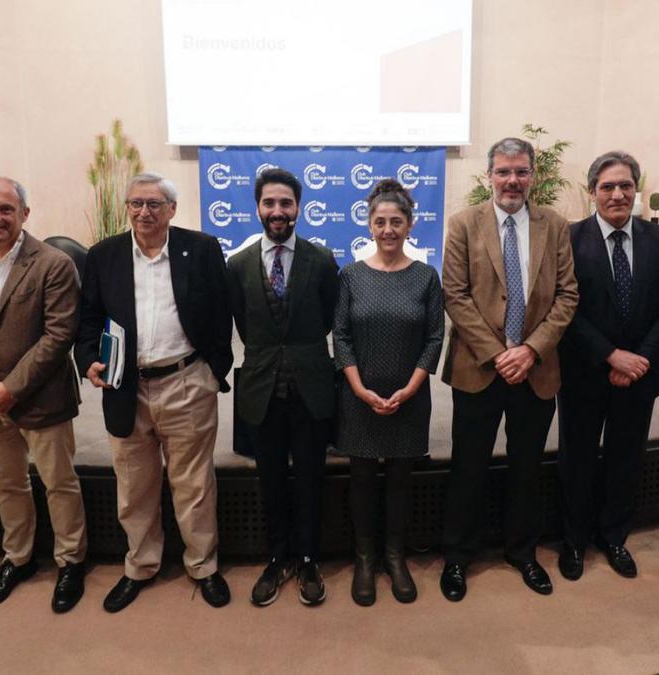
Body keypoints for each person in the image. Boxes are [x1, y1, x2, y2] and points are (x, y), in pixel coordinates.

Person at [76, 172, 234, 613]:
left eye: (154, 204)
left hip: (186, 383)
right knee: (134, 486)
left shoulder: (200, 249)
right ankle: (140, 565)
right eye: (136, 204)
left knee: (194, 484)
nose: (144, 212)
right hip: (125, 386)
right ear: (127, 208)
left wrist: (211, 370)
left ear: (172, 209)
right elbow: (88, 317)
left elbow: (222, 314)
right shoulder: (103, 255)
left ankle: (202, 566)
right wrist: (87, 357)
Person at [439, 137, 579, 598]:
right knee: (468, 467)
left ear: (533, 176)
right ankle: (457, 556)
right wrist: (499, 353)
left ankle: (523, 552)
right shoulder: (463, 224)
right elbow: (455, 295)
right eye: (503, 172)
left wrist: (531, 350)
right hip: (479, 368)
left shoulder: (555, 226)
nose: (512, 181)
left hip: (535, 370)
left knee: (527, 467)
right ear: (489, 176)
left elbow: (567, 295)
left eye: (520, 172)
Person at [0, 177, 88, 613]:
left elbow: (59, 334)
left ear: (24, 214)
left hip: (41, 399)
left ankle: (70, 561)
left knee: (59, 484)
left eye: (6, 209)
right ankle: (19, 558)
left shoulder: (53, 262)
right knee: (7, 485)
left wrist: (11, 388)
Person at [556, 151, 659, 581]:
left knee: (626, 458)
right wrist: (610, 356)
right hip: (584, 372)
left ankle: (613, 537)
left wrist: (640, 359)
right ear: (592, 192)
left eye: (626, 185)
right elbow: (564, 308)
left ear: (636, 189)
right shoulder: (569, 239)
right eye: (608, 186)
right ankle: (573, 540)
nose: (617, 194)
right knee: (577, 458)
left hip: (641, 374)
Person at [227, 168, 339, 607]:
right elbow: (242, 322)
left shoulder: (322, 260)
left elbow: (329, 316)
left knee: (312, 477)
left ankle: (309, 557)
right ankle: (277, 556)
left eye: (286, 204)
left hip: (311, 385)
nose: (278, 212)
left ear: (298, 208)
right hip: (260, 389)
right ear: (257, 207)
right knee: (270, 479)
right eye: (269, 203)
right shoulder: (236, 265)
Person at [333, 179, 443, 606]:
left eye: (397, 221)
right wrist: (360, 390)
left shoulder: (425, 276)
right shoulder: (351, 275)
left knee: (400, 479)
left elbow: (435, 338)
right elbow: (341, 336)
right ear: (369, 225)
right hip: (359, 396)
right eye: (380, 221)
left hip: (409, 396)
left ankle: (394, 558)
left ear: (410, 225)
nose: (388, 229)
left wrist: (410, 388)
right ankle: (364, 559)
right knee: (361, 479)